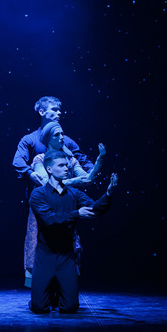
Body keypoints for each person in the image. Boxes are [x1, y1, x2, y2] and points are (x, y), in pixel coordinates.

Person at [29, 150, 118, 314]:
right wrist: (77, 213)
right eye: (61, 165)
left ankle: (58, 292)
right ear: (49, 169)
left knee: (70, 307)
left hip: (66, 255)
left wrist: (108, 194)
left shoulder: (74, 193)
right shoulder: (38, 194)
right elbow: (49, 220)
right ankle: (45, 294)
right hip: (45, 254)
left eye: (67, 166)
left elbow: (94, 209)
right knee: (39, 307)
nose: (66, 169)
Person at [23, 122, 106, 285]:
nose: (62, 137)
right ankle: (40, 285)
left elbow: (87, 179)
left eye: (62, 133)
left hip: (65, 203)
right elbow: (46, 182)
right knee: (40, 242)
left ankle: (64, 284)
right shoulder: (41, 159)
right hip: (44, 205)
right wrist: (75, 181)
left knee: (67, 239)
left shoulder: (70, 160)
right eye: (57, 134)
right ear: (48, 139)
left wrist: (99, 161)